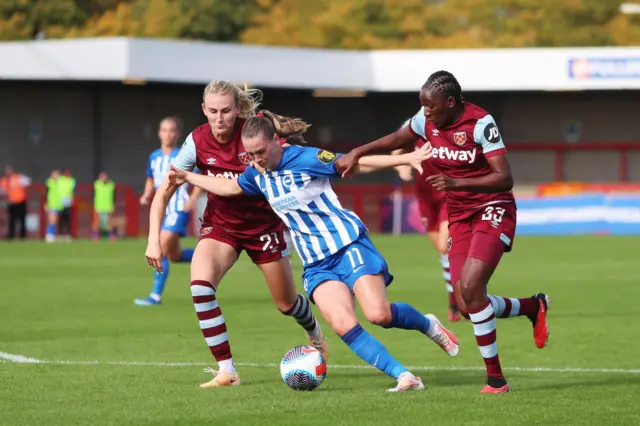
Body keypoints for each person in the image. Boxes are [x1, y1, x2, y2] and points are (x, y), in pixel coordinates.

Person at [163, 111, 461, 393]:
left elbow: (353, 163)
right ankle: (405, 377)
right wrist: (188, 177)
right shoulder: (257, 173)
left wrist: (407, 157)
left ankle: (427, 324)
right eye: (249, 154)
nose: (255, 160)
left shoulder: (306, 158)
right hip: (316, 263)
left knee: (379, 314)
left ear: (275, 141)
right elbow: (231, 188)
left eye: (259, 152)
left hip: (347, 245)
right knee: (344, 325)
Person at [339, 70, 550, 394]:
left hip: (493, 208)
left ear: (450, 102)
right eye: (422, 107)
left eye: (431, 107)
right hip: (460, 215)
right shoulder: (426, 121)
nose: (425, 113)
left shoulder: (481, 123)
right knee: (468, 305)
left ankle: (496, 379)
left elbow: (504, 178)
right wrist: (358, 152)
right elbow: (397, 138)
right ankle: (532, 307)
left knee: (470, 285)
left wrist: (457, 183)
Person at [145, 81, 328, 389]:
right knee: (201, 288)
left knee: (286, 304)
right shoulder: (196, 141)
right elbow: (164, 192)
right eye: (213, 111)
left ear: (237, 109)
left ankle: (313, 330)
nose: (220, 118)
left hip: (264, 227)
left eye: (227, 111)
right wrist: (154, 239)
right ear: (204, 110)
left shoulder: (252, 136)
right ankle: (227, 371)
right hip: (221, 226)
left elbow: (264, 170)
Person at [392, 120, 460, 322]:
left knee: (443, 246)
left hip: (448, 193)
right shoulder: (415, 125)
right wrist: (401, 167)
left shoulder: (453, 127)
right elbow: (395, 149)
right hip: (425, 196)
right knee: (442, 253)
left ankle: (457, 302)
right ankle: (455, 302)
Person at [135, 117, 200, 306]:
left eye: (172, 130)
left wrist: (193, 198)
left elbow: (198, 176)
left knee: (160, 250)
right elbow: (150, 178)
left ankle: (155, 296)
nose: (168, 134)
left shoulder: (183, 155)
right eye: (164, 130)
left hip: (178, 209)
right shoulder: (154, 156)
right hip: (162, 211)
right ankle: (217, 255)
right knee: (175, 256)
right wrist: (147, 194)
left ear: (178, 134)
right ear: (159, 133)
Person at [0, 165, 30, 240]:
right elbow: (2, 191)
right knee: (12, 219)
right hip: (11, 202)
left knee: (22, 219)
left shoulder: (18, 177)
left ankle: (22, 236)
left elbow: (28, 182)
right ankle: (11, 235)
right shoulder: (4, 180)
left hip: (20, 201)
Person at [92, 172, 117, 241]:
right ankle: (95, 235)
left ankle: (111, 235)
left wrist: (113, 205)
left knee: (110, 222)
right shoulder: (96, 184)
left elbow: (114, 196)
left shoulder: (111, 185)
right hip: (98, 206)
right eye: (102, 177)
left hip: (108, 206)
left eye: (105, 177)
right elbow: (93, 195)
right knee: (96, 222)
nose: (104, 179)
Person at [57, 168, 76, 242]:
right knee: (60, 218)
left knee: (68, 218)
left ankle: (67, 234)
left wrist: (72, 199)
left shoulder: (72, 181)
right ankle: (60, 234)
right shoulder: (59, 179)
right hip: (60, 201)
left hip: (68, 200)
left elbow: (73, 191)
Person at [45, 169, 62, 243]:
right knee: (52, 220)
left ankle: (52, 235)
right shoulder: (49, 183)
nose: (56, 176)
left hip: (58, 205)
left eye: (57, 175)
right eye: (54, 174)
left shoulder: (60, 183)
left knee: (55, 221)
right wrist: (46, 203)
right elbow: (46, 194)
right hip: (51, 204)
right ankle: (49, 235)